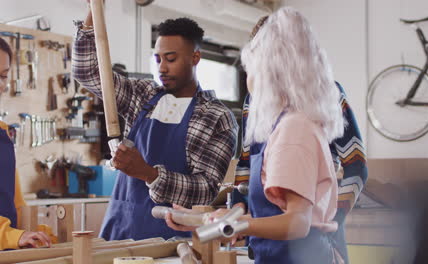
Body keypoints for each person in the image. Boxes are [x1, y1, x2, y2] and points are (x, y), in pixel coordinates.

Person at [166, 7, 350, 263]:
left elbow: (296, 223)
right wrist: (205, 222)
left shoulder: (294, 130)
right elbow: (270, 213)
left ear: (270, 74)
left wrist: (239, 224)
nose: (248, 81)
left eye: (250, 71)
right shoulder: (282, 126)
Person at [72, 4, 238, 241]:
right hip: (119, 234)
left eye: (171, 59)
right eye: (158, 58)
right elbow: (86, 71)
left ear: (195, 57)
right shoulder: (142, 95)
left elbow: (205, 190)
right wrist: (94, 7)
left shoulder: (216, 117)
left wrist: (148, 174)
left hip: (173, 243)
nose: (162, 68)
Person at [231, 14, 368, 264]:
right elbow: (246, 163)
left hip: (309, 235)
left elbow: (356, 165)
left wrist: (332, 219)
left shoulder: (326, 93)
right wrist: (236, 212)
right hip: (268, 234)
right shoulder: (254, 101)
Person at [0, 37, 51, 250]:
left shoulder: (3, 133)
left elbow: (15, 205)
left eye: (3, 76)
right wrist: (12, 236)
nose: (0, 85)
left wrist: (37, 233)